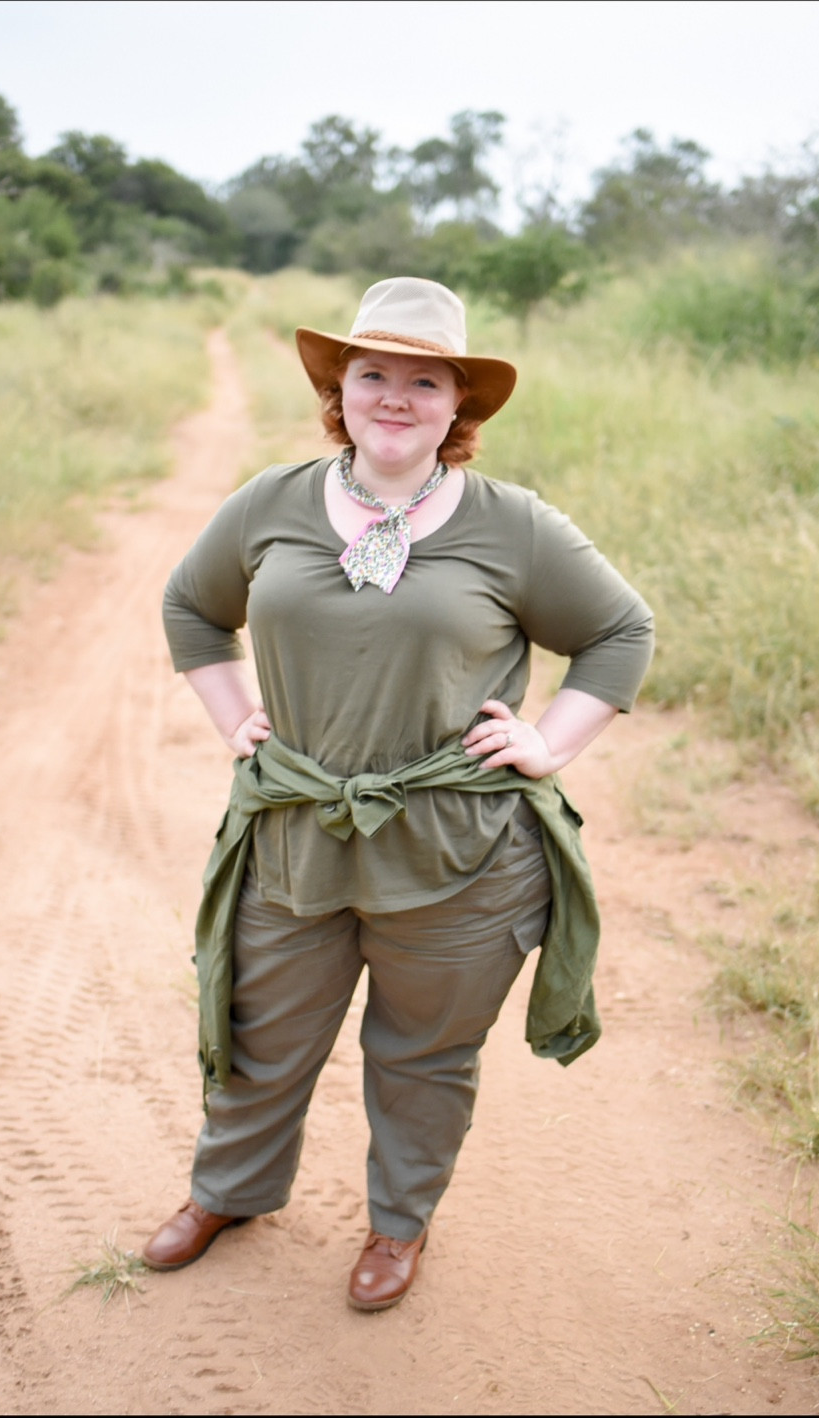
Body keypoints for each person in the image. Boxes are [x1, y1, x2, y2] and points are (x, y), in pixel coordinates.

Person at [143, 276, 654, 1310]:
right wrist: (232, 712)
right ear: (341, 388)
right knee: (259, 1029)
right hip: (296, 831)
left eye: (425, 380)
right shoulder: (273, 502)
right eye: (373, 372)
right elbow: (193, 607)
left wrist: (549, 743)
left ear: (457, 404)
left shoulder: (515, 526)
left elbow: (619, 632)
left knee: (423, 1052)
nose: (396, 396)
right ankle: (227, 1190)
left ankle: (397, 1225)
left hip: (458, 852)